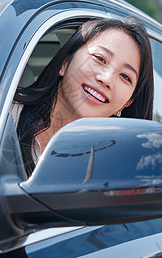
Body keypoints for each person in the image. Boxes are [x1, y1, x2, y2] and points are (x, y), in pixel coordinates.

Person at [12, 17, 154, 176]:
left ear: (127, 103)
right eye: (99, 58)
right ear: (65, 62)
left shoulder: (110, 176)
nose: (106, 79)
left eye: (125, 76)